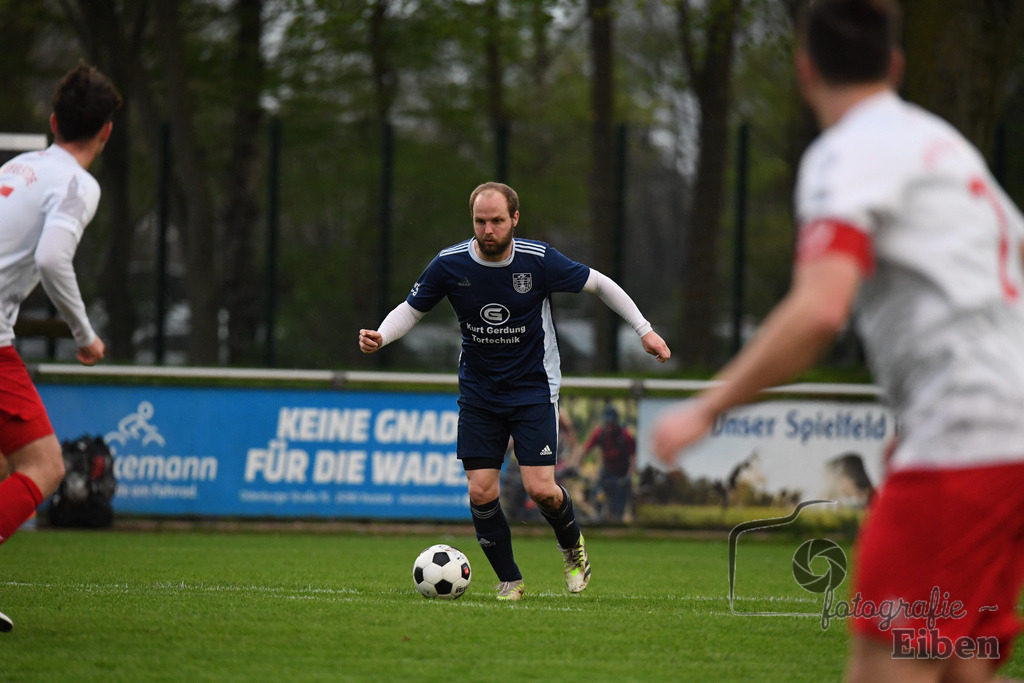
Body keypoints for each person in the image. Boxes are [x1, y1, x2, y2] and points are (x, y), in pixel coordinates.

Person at [653, 0, 1024, 680]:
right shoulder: (947, 149)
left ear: (804, 71)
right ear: (896, 64)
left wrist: (708, 406)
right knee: (956, 662)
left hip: (966, 442)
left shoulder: (848, 151)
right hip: (1001, 445)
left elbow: (819, 310)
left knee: (885, 666)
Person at [360, 181, 671, 600]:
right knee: (480, 490)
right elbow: (412, 310)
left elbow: (601, 283)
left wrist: (645, 331)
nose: (488, 229)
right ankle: (510, 580)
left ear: (514, 219)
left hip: (533, 388)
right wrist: (381, 335)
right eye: (480, 221)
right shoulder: (450, 264)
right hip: (479, 391)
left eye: (497, 221)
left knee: (540, 488)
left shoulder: (539, 260)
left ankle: (573, 549)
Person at [0, 62, 120, 631]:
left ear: (52, 122)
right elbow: (51, 258)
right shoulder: (77, 182)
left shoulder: (20, 166)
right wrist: (85, 335)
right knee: (44, 465)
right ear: (106, 132)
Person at [573, 405, 636, 523]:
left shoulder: (625, 436)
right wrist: (577, 465)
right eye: (607, 423)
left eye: (612, 423)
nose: (609, 426)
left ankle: (616, 523)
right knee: (596, 493)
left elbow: (633, 458)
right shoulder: (600, 433)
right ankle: (598, 517)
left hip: (621, 474)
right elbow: (585, 449)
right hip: (607, 471)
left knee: (618, 506)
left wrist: (629, 475)